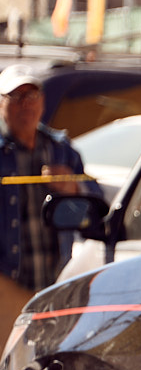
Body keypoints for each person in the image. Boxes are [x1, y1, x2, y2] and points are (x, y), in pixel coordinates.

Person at [0, 63, 90, 295]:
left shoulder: (61, 149)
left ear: (42, 101)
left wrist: (73, 186)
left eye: (32, 95)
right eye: (16, 96)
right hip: (8, 286)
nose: (26, 103)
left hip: (55, 284)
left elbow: (96, 206)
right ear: (1, 103)